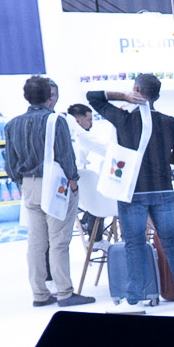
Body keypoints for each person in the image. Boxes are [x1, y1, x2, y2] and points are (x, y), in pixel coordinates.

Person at [86, 74, 174, 312]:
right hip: (163, 189)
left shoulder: (124, 119)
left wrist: (123, 96)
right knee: (172, 242)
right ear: (158, 95)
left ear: (136, 89)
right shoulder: (170, 122)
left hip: (133, 192)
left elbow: (93, 97)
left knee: (134, 244)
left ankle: (134, 300)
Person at [6, 76, 92, 308]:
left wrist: (22, 183)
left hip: (28, 185)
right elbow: (65, 155)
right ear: (49, 96)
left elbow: (10, 163)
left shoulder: (13, 124)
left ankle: (40, 293)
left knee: (36, 242)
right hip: (56, 185)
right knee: (59, 241)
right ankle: (64, 292)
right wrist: (73, 181)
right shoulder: (55, 121)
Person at [65, 102, 119, 247]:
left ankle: (88, 224)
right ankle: (96, 238)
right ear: (78, 121)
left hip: (74, 187)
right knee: (100, 191)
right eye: (89, 120)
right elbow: (104, 148)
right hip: (78, 189)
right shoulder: (81, 135)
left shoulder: (70, 131)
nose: (91, 123)